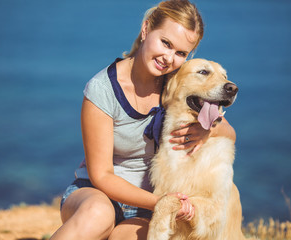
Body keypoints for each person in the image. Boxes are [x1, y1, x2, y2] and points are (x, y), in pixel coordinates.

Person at [50, 0, 236, 239]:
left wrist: (208, 129)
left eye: (180, 53)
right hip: (96, 193)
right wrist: (161, 202)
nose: (169, 58)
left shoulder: (175, 84)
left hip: (146, 210)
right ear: (146, 29)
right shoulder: (102, 90)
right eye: (165, 43)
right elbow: (101, 175)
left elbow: (229, 132)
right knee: (98, 215)